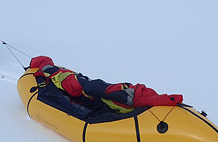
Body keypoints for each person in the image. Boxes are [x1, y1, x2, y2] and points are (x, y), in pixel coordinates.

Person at [30, 56, 183, 113]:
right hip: (93, 94)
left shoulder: (54, 73)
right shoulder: (53, 75)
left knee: (99, 90)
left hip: (95, 93)